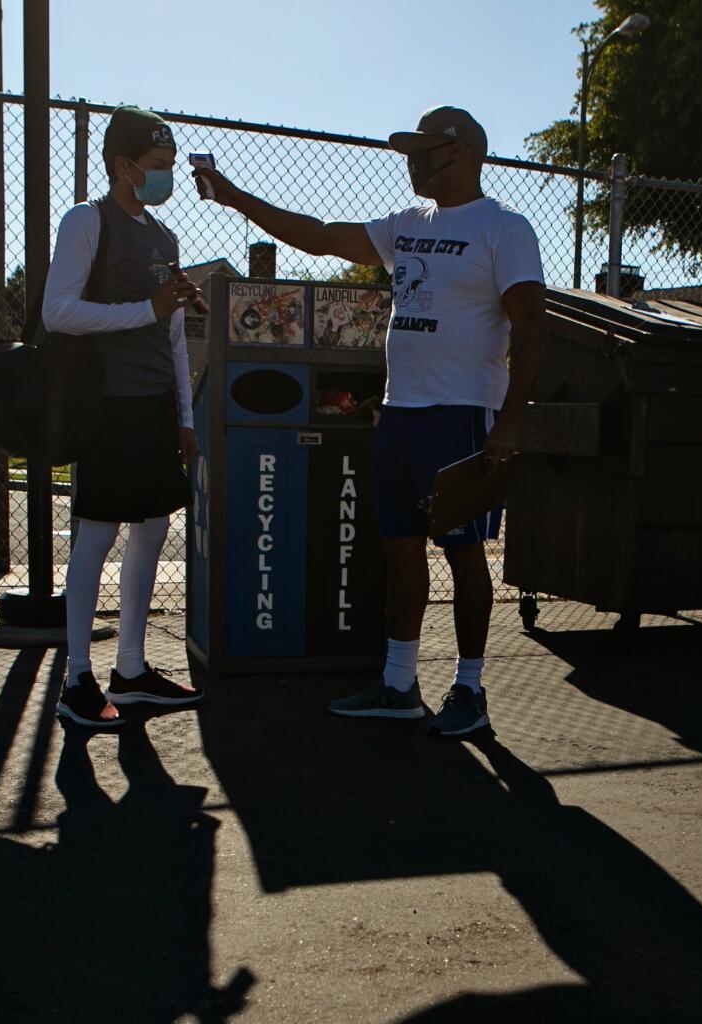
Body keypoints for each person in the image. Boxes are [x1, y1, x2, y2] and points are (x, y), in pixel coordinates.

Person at [192, 106, 546, 738]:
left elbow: (533, 332)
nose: (409, 160)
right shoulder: (406, 226)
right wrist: (235, 198)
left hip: (462, 415)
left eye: (420, 148)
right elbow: (322, 235)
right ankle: (399, 684)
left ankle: (469, 691)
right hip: (402, 414)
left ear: (455, 151)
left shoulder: (504, 228)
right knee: (398, 549)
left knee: (464, 553)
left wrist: (509, 423)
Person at [42, 105, 207, 727]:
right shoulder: (88, 220)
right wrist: (145, 307)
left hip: (156, 404)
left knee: (152, 527)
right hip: (106, 403)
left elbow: (173, 334)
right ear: (123, 166)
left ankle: (131, 670)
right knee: (97, 532)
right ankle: (76, 677)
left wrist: (184, 413)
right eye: (158, 166)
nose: (165, 178)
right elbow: (59, 311)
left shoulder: (164, 239)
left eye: (168, 166)